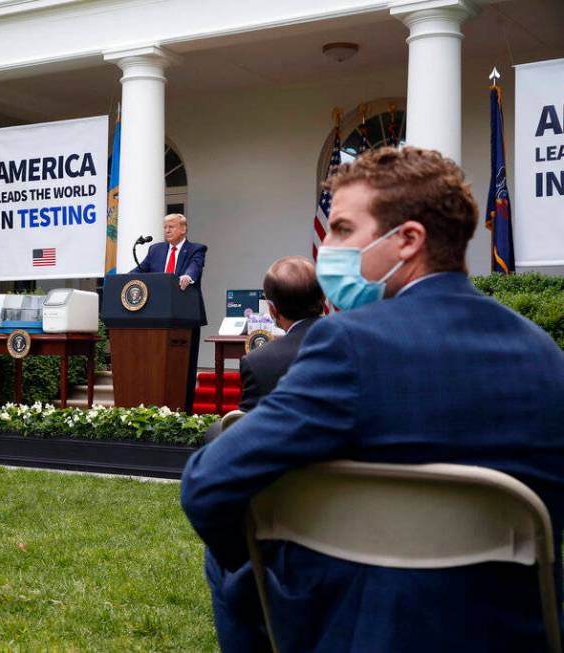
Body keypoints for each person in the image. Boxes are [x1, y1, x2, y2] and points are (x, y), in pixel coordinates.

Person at [181, 147, 564, 652]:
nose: (327, 251)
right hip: (514, 627)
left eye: (341, 230)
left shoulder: (348, 343)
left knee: (227, 563)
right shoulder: (543, 353)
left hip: (358, 627)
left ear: (407, 240)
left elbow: (207, 485)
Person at [203, 256, 323, 444]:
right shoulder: (357, 343)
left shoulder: (259, 362)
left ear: (272, 310)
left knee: (216, 431)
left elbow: (249, 430)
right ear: (323, 298)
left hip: (285, 458)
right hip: (352, 457)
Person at [131, 213, 207, 412]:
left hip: (185, 316)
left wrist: (187, 277)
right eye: (165, 227)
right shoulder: (155, 250)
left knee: (185, 366)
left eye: (171, 227)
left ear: (183, 229)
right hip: (157, 318)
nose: (167, 230)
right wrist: (123, 280)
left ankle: (185, 410)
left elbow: (194, 268)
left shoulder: (196, 249)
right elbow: (140, 271)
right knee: (156, 365)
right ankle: (154, 408)